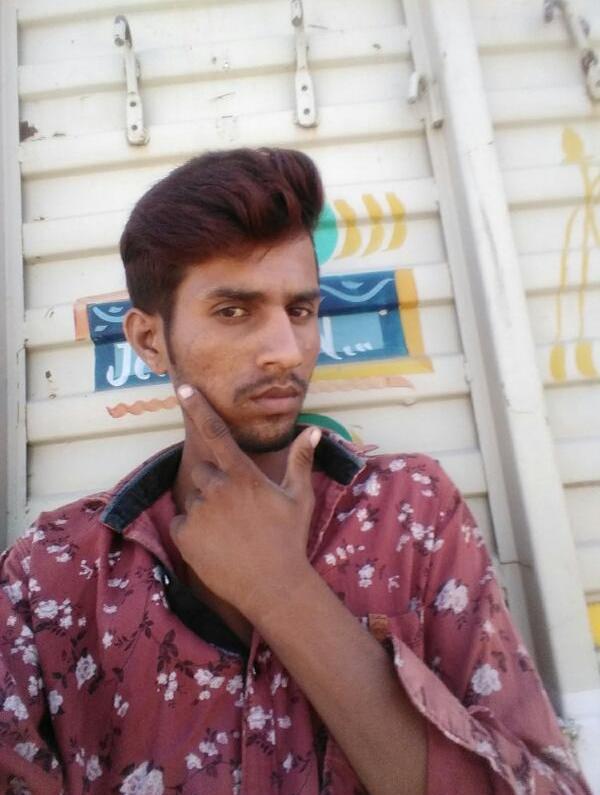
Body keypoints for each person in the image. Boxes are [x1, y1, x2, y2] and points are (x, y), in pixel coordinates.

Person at [0, 148, 592, 795]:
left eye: (301, 310)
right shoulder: (53, 574)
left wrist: (282, 591)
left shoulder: (412, 512)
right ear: (149, 340)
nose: (287, 351)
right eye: (234, 311)